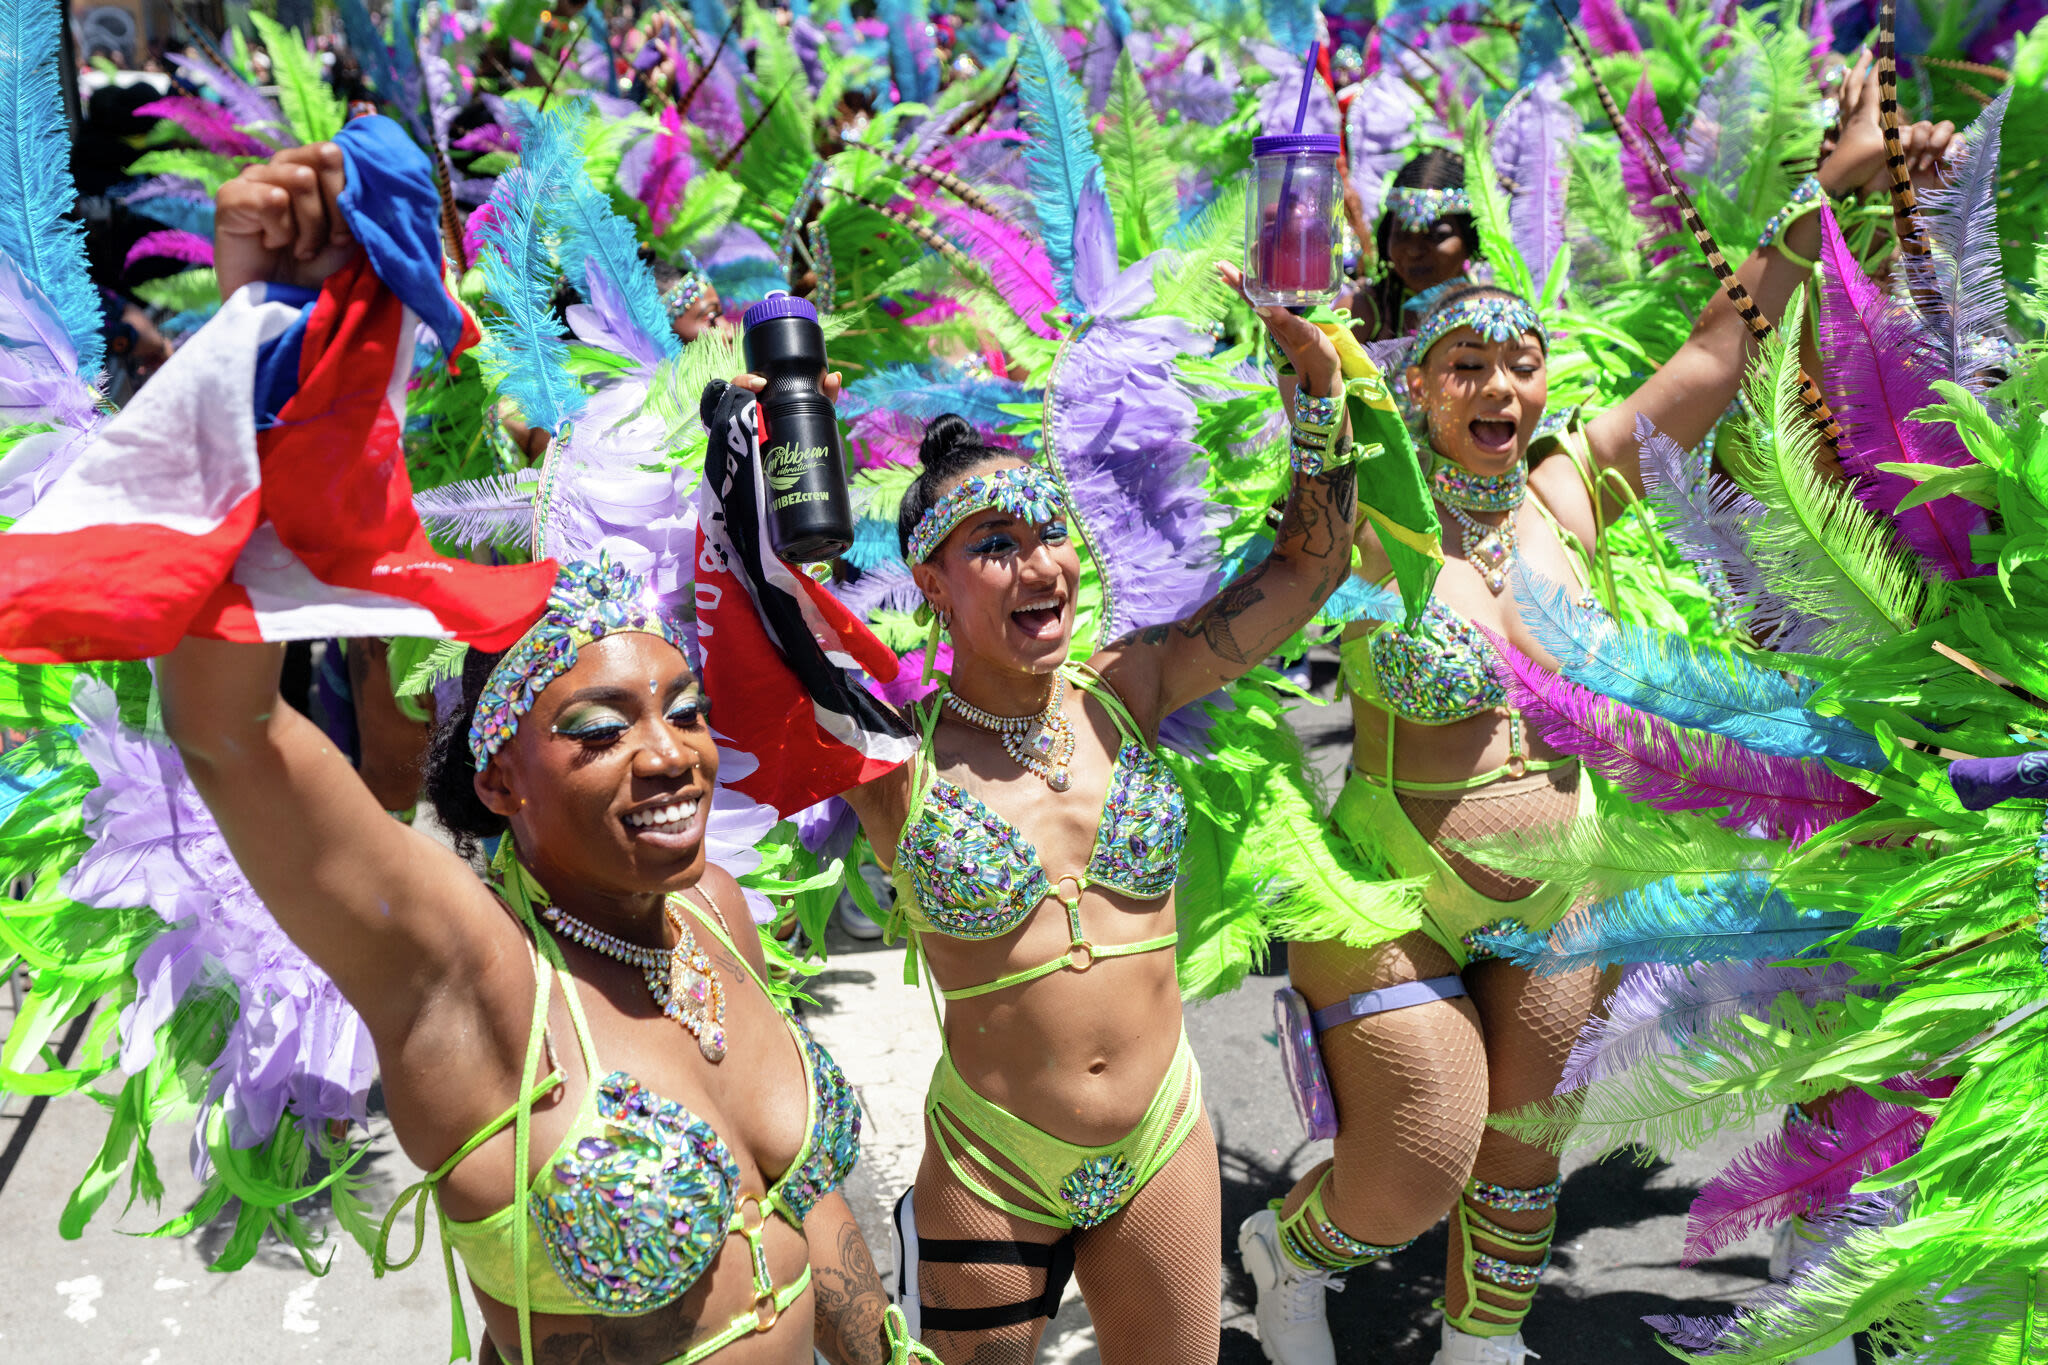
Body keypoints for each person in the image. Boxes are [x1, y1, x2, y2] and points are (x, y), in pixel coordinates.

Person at [151, 142, 928, 1365]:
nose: (669, 752)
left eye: (682, 707)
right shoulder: (468, 977)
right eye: (600, 728)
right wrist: (264, 339)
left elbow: (809, 1212)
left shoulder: (712, 911)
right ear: (501, 775)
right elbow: (228, 728)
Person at [1236, 57, 1956, 1365]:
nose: (1501, 392)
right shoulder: (1382, 523)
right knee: (1420, 1163)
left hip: (1558, 894)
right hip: (1396, 897)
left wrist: (1827, 192)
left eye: (1520, 361)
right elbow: (1314, 481)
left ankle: (1483, 1346)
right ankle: (1286, 1251)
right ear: (1414, 382)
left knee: (1525, 1157)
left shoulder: (1571, 493)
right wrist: (1309, 374)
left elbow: (1715, 351)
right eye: (1466, 366)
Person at [736, 262, 1361, 1365]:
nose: (1039, 568)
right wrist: (760, 460)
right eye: (993, 547)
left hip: (1163, 1132)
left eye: (1049, 537)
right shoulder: (894, 757)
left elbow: (1308, 570)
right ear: (930, 582)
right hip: (991, 1161)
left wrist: (1316, 400)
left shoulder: (1134, 688)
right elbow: (761, 633)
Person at [1351, 148, 1479, 343]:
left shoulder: (1495, 308)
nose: (1413, 250)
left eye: (1436, 236)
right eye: (1400, 235)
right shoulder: (1362, 313)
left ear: (1470, 238)